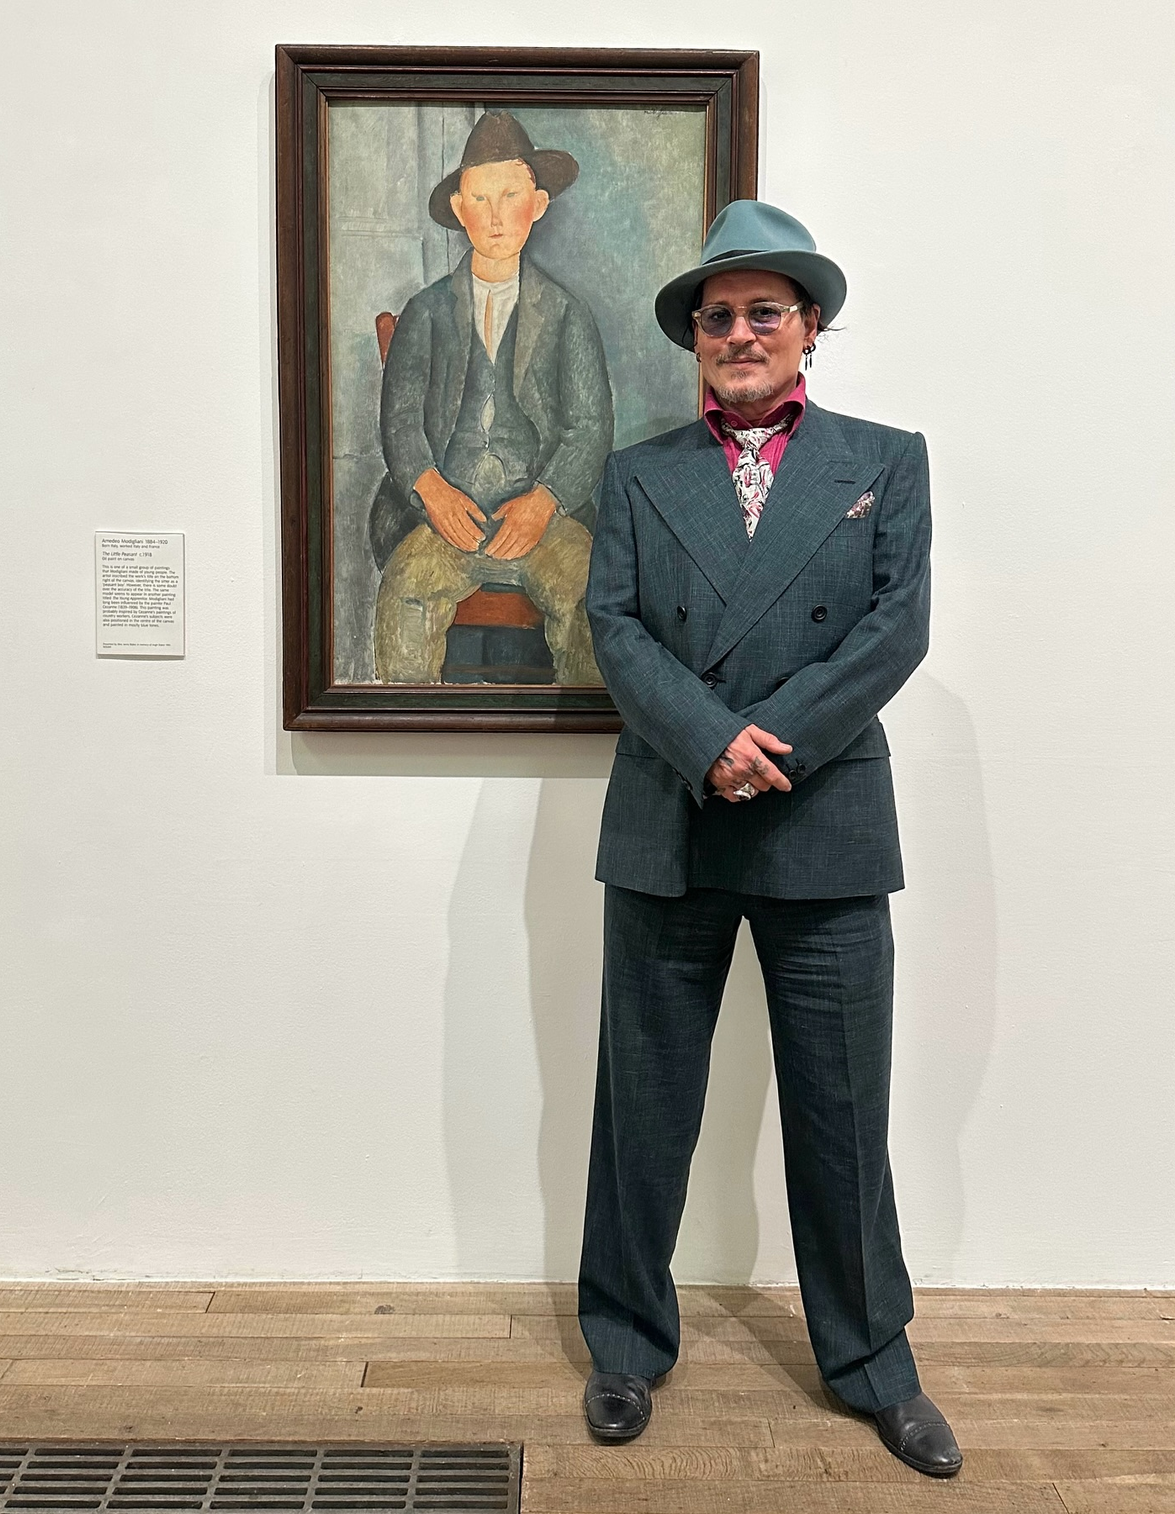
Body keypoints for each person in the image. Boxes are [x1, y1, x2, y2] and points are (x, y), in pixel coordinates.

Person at [576, 199, 962, 1478]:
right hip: (671, 814)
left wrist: (767, 740)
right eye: (716, 316)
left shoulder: (883, 459)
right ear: (694, 338)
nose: (737, 333)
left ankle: (874, 1364)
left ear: (808, 328)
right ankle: (625, 1342)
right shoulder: (635, 473)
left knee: (842, 1113)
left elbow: (894, 627)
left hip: (822, 813)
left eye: (762, 312)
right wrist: (707, 741)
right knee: (641, 1108)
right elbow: (615, 626)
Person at [371, 111, 612, 685]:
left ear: (539, 204)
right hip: (443, 522)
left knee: (590, 598)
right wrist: (432, 491)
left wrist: (544, 501)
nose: (497, 215)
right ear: (459, 209)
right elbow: (399, 419)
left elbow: (591, 427)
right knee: (404, 594)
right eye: (480, 198)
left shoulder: (567, 314)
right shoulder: (426, 312)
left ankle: (581, 730)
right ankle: (402, 728)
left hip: (542, 523)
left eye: (511, 195)